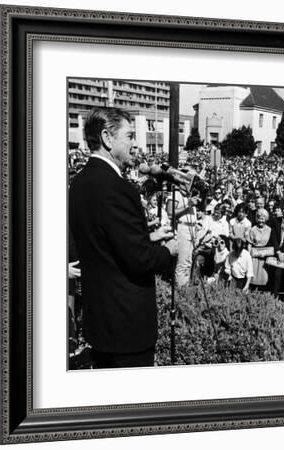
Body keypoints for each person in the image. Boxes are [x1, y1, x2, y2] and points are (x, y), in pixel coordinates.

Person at [69, 108, 178, 369]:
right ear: (107, 137)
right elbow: (141, 260)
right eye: (129, 136)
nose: (134, 143)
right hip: (127, 328)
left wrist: (147, 235)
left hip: (101, 322)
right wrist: (169, 250)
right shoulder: (117, 189)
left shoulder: (80, 182)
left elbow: (105, 242)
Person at [248, 208, 272, 287]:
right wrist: (249, 255)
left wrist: (267, 253)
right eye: (259, 218)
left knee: (264, 277)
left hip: (265, 256)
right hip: (254, 256)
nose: (261, 221)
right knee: (253, 277)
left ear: (266, 219)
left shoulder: (269, 230)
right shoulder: (253, 229)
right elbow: (250, 243)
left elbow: (271, 244)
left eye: (263, 219)